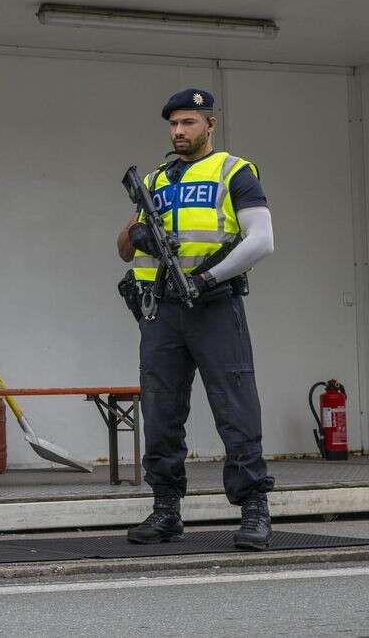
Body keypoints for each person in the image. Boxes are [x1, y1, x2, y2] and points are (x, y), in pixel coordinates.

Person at [117, 88, 276, 550]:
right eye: (173, 124)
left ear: (210, 124)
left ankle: (254, 511)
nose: (179, 131)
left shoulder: (234, 171)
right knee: (161, 411)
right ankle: (166, 510)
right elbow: (122, 249)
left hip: (213, 305)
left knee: (235, 407)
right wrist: (138, 231)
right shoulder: (156, 179)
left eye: (188, 122)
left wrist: (208, 279)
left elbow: (261, 240)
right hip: (161, 309)